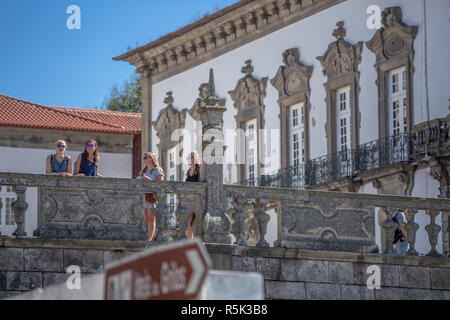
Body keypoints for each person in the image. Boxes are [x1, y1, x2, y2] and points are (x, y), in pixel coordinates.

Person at [137, 152, 165, 241]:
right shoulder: (143, 171)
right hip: (144, 195)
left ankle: (149, 240)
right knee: (146, 219)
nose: (144, 159)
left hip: (152, 196)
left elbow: (160, 184)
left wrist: (147, 179)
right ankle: (153, 235)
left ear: (152, 158)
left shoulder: (157, 170)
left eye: (146, 157)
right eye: (144, 158)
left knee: (151, 218)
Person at [185, 152, 200, 239]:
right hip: (188, 198)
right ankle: (190, 238)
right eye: (188, 158)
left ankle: (191, 238)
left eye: (190, 158)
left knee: (192, 219)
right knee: (189, 220)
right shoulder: (188, 171)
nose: (188, 160)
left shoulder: (199, 170)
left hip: (196, 199)